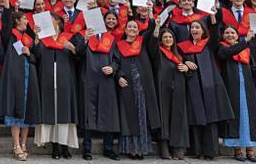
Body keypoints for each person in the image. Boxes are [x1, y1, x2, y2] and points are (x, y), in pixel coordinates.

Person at [178, 18, 233, 161]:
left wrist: (214, 18)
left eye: (197, 27)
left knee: (210, 118)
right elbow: (177, 60)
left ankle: (210, 151)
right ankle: (198, 150)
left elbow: (214, 35)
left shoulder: (209, 45)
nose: (195, 30)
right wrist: (185, 62)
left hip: (210, 86)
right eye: (193, 28)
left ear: (203, 30)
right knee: (196, 117)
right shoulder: (183, 47)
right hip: (192, 86)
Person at [0, 8, 39, 162]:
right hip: (15, 78)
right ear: (17, 21)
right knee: (15, 110)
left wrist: (29, 52)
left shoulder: (28, 38)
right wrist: (7, 6)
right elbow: (5, 24)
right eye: (25, 19)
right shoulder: (10, 36)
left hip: (29, 76)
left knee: (27, 112)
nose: (27, 21)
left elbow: (35, 58)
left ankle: (24, 144)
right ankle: (16, 145)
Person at [33, 13, 80, 159]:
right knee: (51, 113)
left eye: (51, 20)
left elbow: (80, 57)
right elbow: (36, 57)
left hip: (65, 81)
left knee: (64, 113)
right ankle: (55, 147)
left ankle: (65, 147)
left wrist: (73, 48)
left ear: (58, 22)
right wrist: (36, 39)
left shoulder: (68, 37)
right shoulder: (43, 39)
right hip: (47, 81)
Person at [75, 11, 121, 161]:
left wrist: (113, 68)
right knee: (89, 112)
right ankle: (87, 148)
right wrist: (85, 40)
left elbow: (117, 59)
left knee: (108, 112)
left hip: (106, 80)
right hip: (88, 78)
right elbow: (77, 54)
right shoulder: (86, 37)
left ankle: (108, 148)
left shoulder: (111, 39)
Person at [218, 25, 256, 162]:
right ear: (223, 36)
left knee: (248, 118)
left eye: (232, 33)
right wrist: (245, 41)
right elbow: (229, 53)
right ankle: (237, 150)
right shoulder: (222, 48)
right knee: (236, 118)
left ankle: (250, 150)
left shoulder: (245, 50)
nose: (229, 35)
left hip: (247, 88)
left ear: (236, 35)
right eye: (226, 33)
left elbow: (251, 68)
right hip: (231, 88)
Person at [116, 19, 160, 160]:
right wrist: (118, 76)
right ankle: (131, 148)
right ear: (125, 29)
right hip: (127, 84)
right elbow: (115, 62)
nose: (132, 29)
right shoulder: (118, 45)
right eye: (129, 26)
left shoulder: (143, 42)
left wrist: (155, 21)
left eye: (135, 27)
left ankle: (141, 149)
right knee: (129, 116)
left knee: (142, 115)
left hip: (142, 84)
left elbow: (152, 35)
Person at [150, 24, 190, 160]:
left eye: (170, 37)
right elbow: (153, 43)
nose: (167, 39)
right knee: (165, 117)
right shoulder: (158, 52)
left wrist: (186, 68)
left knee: (178, 117)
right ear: (161, 40)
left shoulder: (178, 54)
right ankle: (165, 148)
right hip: (163, 88)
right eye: (165, 37)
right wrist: (156, 27)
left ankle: (178, 148)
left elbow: (188, 71)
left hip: (178, 88)